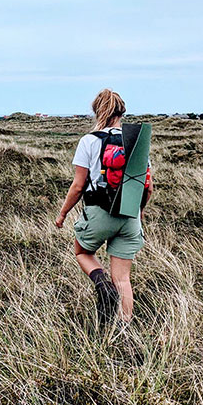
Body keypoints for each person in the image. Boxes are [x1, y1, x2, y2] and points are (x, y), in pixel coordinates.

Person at [54, 89, 153, 324]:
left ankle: (102, 285)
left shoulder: (89, 141)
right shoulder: (137, 144)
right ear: (122, 112)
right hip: (130, 217)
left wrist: (63, 214)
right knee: (123, 280)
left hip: (99, 212)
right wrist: (138, 213)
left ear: (97, 111)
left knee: (83, 252)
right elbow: (147, 188)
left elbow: (78, 186)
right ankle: (123, 331)